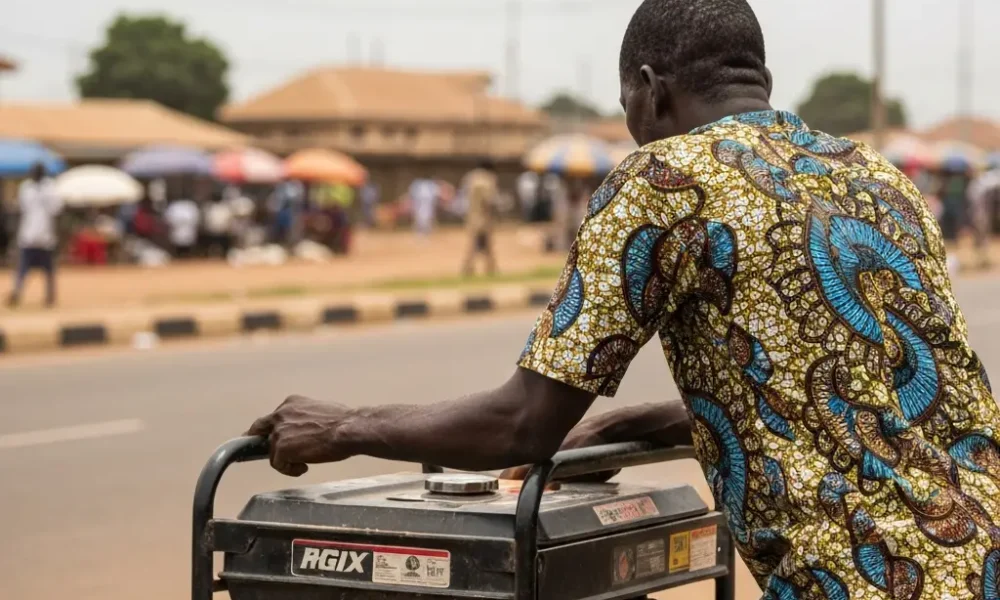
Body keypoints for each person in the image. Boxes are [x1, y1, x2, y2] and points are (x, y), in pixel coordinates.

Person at [247, 2, 1000, 598]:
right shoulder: (876, 178)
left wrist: (344, 425)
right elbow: (857, 391)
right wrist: (642, 418)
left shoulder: (662, 179)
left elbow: (520, 423)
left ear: (651, 87)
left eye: (627, 103)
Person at [8, 162, 62, 307]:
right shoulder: (26, 187)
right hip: (28, 235)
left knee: (49, 270)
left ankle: (50, 297)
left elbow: (56, 210)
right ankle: (16, 293)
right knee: (23, 269)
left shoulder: (50, 188)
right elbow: (22, 209)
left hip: (46, 237)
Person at [461, 159, 499, 276]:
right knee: (487, 244)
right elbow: (489, 199)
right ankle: (490, 268)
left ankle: (469, 268)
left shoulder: (470, 178)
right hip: (484, 216)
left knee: (473, 244)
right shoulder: (487, 180)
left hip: (472, 215)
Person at [203, 190, 235, 258]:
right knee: (212, 246)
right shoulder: (210, 207)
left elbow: (229, 220)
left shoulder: (211, 207)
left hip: (219, 232)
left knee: (223, 247)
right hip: (214, 232)